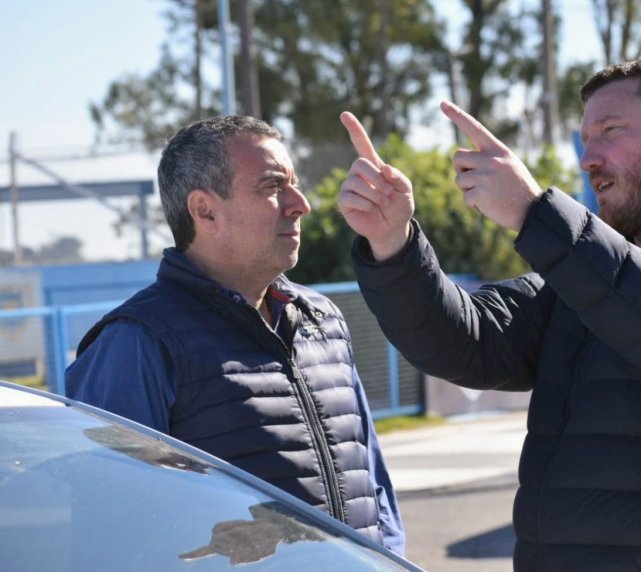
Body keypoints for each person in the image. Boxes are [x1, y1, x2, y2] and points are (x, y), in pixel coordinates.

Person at [339, 57, 641, 571]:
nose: (588, 159)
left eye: (610, 131)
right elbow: (468, 345)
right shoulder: (592, 274)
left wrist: (535, 213)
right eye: (585, 139)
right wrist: (393, 244)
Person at [66, 115, 404, 555]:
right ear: (204, 210)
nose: (300, 204)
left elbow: (374, 488)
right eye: (272, 187)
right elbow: (111, 528)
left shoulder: (322, 319)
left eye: (294, 184)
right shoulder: (137, 342)